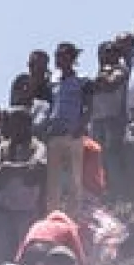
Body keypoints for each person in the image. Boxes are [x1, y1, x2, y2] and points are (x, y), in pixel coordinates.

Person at [41, 41, 93, 217]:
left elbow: (88, 106)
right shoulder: (54, 82)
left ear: (72, 58)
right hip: (55, 133)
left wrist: (81, 126)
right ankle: (53, 214)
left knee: (74, 179)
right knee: (53, 180)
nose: (59, 59)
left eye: (63, 55)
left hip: (73, 133)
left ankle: (73, 214)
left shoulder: (81, 81)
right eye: (57, 55)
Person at [0, 107, 48, 261]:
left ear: (27, 125)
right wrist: (18, 170)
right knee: (3, 258)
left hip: (27, 212)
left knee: (26, 257)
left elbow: (36, 168)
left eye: (16, 124)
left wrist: (10, 169)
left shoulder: (38, 146)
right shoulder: (3, 147)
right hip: (3, 211)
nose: (12, 128)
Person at [91, 41, 130, 192]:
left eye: (110, 52)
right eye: (103, 52)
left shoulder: (120, 70)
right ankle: (102, 190)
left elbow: (110, 84)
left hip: (113, 119)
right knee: (98, 157)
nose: (106, 55)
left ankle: (118, 191)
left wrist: (103, 77)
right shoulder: (98, 73)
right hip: (97, 119)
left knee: (112, 155)